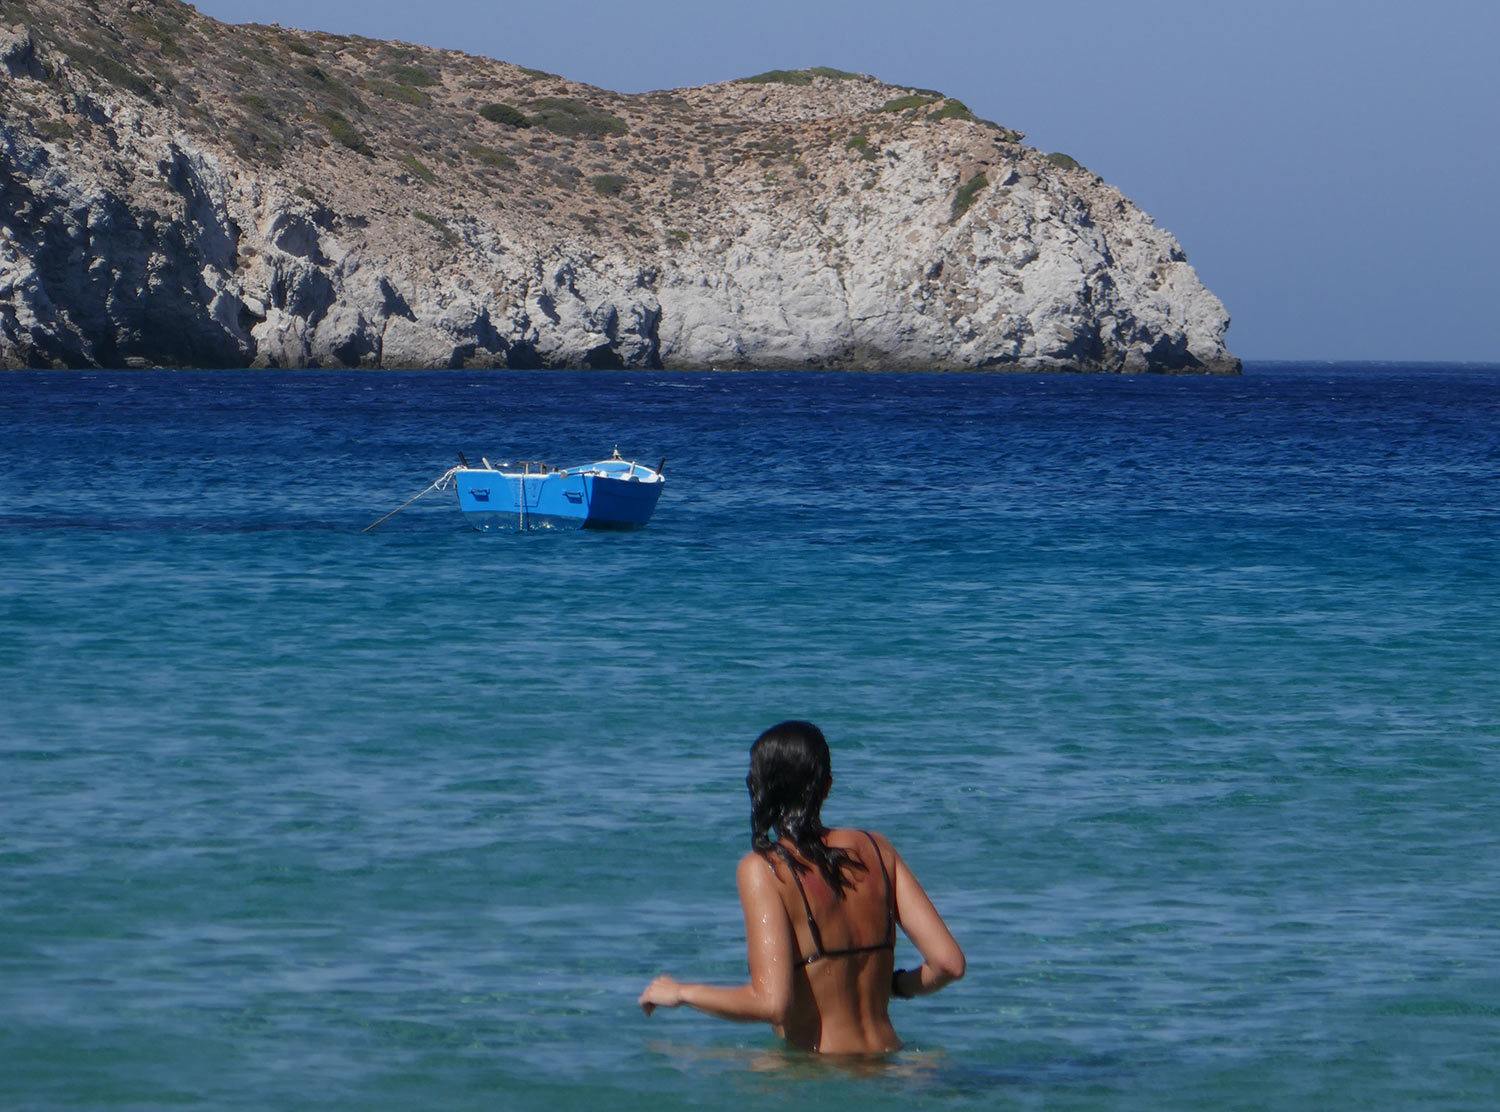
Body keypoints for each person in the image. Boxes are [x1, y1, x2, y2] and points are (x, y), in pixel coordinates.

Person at [639, 720, 965, 1054]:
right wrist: (896, 984)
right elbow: (948, 964)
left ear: (760, 788)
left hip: (822, 1076)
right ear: (827, 786)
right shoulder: (878, 849)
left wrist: (681, 992)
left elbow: (771, 1004)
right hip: (889, 1059)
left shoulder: (764, 869)